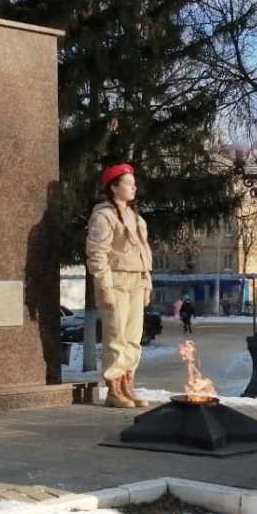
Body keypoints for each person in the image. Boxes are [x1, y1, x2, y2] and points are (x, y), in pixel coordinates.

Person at [85, 163, 153, 409]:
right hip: (116, 281)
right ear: (113, 187)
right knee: (116, 336)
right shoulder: (103, 216)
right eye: (128, 183)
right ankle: (114, 389)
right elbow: (97, 253)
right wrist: (104, 286)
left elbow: (145, 254)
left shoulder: (136, 218)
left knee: (133, 338)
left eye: (134, 183)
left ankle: (128, 385)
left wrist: (147, 284)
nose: (134, 187)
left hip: (136, 280)